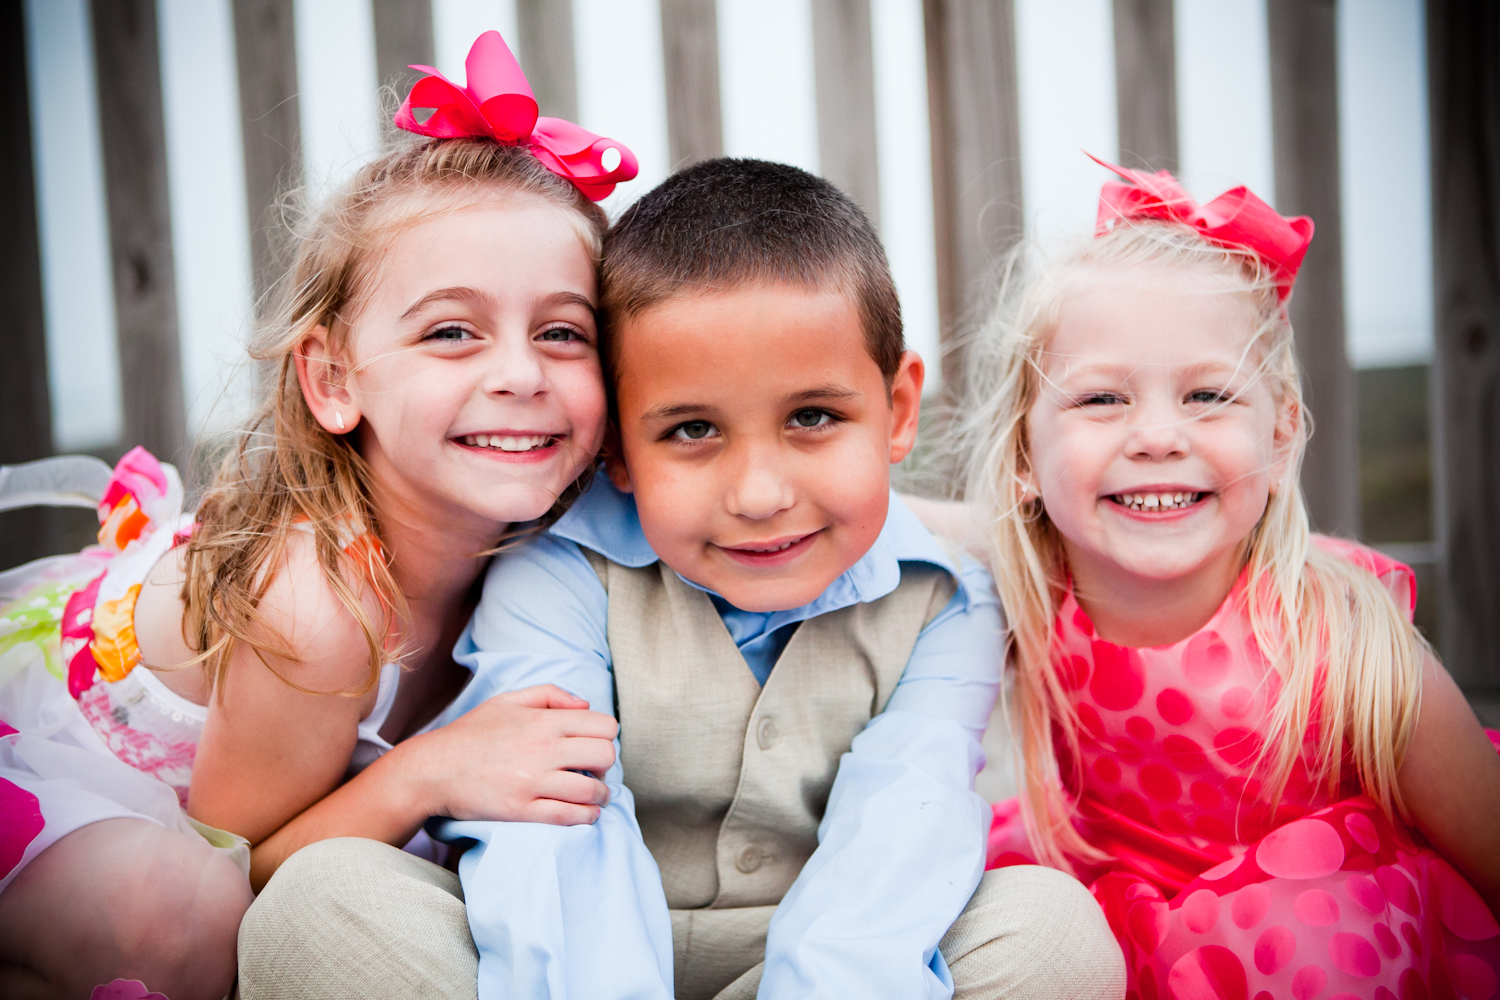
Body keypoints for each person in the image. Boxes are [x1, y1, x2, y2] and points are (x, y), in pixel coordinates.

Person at [240, 158, 1127, 1000]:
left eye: (812, 417)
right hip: (559, 963)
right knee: (319, 905)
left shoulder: (946, 600)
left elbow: (903, 831)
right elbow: (554, 831)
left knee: (1051, 934)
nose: (760, 495)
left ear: (897, 411)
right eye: (693, 431)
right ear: (619, 450)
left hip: (826, 960)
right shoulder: (559, 572)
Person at [0, 30, 633, 998]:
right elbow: (243, 865)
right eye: (451, 332)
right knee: (182, 922)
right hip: (101, 795)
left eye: (561, 332)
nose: (519, 373)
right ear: (334, 380)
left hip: (253, 812)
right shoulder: (317, 605)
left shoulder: (558, 540)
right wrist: (425, 773)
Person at [953, 158, 1500, 1000]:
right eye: (1101, 400)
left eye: (1208, 395)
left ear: (1279, 439)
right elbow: (871, 522)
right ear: (1026, 455)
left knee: (1313, 954)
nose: (1157, 436)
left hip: (1300, 942)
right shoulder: (1036, 583)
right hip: (1108, 917)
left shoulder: (1342, 640)